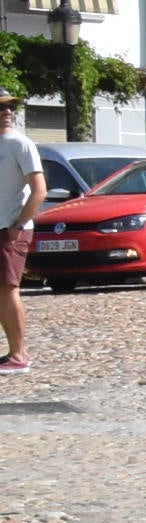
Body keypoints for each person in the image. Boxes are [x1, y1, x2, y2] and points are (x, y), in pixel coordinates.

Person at [0, 89, 40, 373]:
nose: (7, 112)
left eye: (10, 107)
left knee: (7, 290)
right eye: (1, 108)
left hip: (10, 230)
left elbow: (39, 190)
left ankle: (19, 356)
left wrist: (18, 225)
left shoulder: (19, 144)